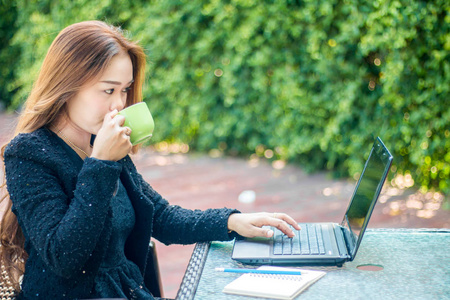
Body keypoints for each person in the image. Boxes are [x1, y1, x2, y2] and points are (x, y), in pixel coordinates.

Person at [0, 21, 300, 299]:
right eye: (108, 90)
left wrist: (232, 222)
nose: (119, 104)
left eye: (125, 90)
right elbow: (65, 257)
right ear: (67, 86)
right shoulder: (29, 153)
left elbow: (160, 216)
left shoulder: (100, 141)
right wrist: (101, 164)